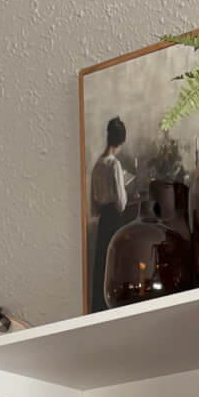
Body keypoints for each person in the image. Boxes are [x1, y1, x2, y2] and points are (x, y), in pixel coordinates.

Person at [90, 116, 130, 311]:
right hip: (114, 219)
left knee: (102, 264)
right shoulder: (115, 165)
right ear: (120, 142)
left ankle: (99, 306)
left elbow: (93, 207)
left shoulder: (97, 166)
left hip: (103, 221)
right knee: (115, 262)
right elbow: (122, 203)